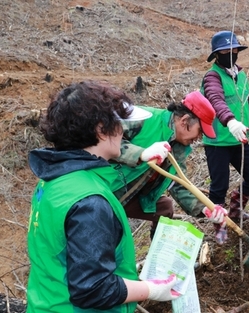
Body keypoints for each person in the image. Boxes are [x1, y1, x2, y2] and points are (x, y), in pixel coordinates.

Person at [27, 80, 180, 312]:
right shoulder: (89, 202)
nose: (122, 133)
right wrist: (151, 289)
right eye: (119, 125)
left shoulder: (54, 180)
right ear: (101, 130)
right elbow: (93, 289)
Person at [111, 90, 228, 244]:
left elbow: (179, 184)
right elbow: (105, 137)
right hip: (105, 187)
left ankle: (158, 259)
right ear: (185, 121)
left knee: (164, 208)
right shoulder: (143, 118)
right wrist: (141, 153)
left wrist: (205, 209)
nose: (199, 138)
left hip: (130, 194)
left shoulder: (178, 148)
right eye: (200, 131)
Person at [200, 30, 249, 233]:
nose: (231, 53)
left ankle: (236, 209)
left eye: (234, 49)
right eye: (225, 50)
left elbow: (248, 104)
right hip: (218, 142)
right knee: (219, 188)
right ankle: (220, 225)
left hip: (240, 140)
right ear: (217, 54)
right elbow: (215, 99)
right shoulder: (212, 77)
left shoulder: (241, 74)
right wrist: (230, 121)